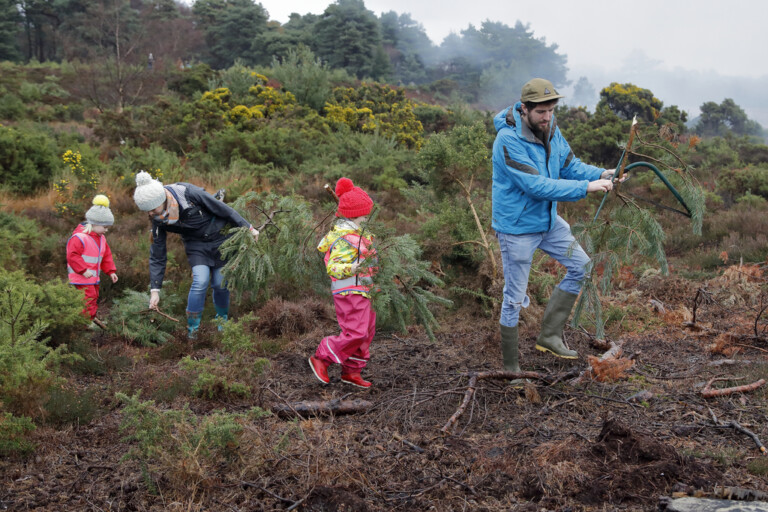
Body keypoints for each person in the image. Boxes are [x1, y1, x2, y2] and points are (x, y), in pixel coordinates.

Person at [491, 78, 619, 376]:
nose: (547, 117)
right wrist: (587, 187)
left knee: (582, 267)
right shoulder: (507, 141)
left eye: (551, 110)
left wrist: (603, 172)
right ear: (524, 109)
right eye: (541, 112)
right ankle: (512, 370)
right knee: (513, 297)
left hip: (547, 221)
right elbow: (536, 185)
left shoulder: (551, 129)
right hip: (517, 228)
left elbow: (570, 164)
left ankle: (548, 337)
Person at [132, 171, 259, 338]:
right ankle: (193, 331)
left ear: (162, 200)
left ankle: (222, 322)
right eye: (146, 211)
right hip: (196, 245)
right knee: (200, 281)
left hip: (220, 237)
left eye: (152, 209)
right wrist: (155, 290)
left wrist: (248, 228)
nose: (150, 214)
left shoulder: (188, 193)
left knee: (220, 283)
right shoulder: (157, 220)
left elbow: (223, 209)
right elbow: (157, 254)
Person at [308, 177, 378, 389]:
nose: (368, 217)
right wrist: (353, 268)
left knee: (366, 332)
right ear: (355, 215)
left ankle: (352, 371)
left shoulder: (361, 235)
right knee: (355, 332)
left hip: (365, 291)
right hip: (349, 292)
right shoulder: (343, 239)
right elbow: (333, 268)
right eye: (365, 214)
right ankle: (322, 357)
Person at [67, 195, 118, 324]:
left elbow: (106, 256)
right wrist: (83, 270)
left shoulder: (101, 239)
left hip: (92, 278)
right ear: (95, 223)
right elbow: (72, 255)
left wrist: (111, 271)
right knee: (88, 299)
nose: (106, 230)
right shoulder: (79, 237)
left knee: (93, 298)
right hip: (81, 278)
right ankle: (83, 324)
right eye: (105, 227)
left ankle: (87, 321)